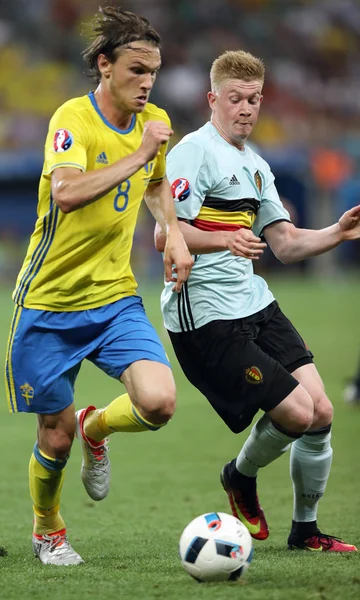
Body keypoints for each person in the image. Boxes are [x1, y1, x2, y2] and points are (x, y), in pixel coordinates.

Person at [4, 6, 193, 566]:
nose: (148, 82)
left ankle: (97, 426)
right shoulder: (73, 118)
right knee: (52, 438)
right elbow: (66, 192)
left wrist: (174, 234)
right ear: (105, 67)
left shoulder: (153, 119)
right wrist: (138, 152)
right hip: (49, 303)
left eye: (154, 72)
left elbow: (156, 186)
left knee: (159, 402)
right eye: (137, 70)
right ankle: (48, 530)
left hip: (114, 298)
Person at [155, 50, 360, 552]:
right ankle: (240, 476)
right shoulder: (193, 153)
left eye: (253, 100)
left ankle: (305, 531)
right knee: (295, 413)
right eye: (235, 99)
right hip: (205, 315)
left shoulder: (255, 165)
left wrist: (336, 232)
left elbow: (286, 243)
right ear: (212, 100)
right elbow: (166, 235)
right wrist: (225, 239)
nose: (245, 109)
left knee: (323, 411)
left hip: (254, 303)